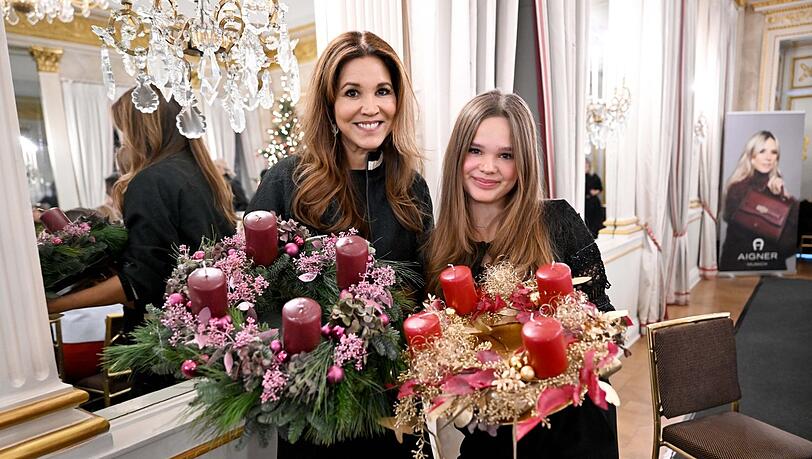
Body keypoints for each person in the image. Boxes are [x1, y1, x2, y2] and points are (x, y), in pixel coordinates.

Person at [246, 31, 433, 458]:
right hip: (313, 408)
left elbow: (422, 292)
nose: (371, 108)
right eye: (353, 93)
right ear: (330, 105)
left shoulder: (411, 187)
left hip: (392, 403)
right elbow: (252, 295)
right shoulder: (287, 182)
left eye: (383, 91)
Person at [424, 90, 618, 458]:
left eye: (506, 155)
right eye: (476, 150)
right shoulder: (441, 248)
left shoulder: (556, 223)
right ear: (457, 156)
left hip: (572, 430)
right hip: (494, 435)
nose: (488, 167)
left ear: (523, 163)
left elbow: (603, 328)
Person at [47, 88, 237, 336]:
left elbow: (143, 281)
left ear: (139, 130)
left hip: (171, 333)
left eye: (124, 130)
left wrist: (53, 305)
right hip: (216, 320)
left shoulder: (151, 181)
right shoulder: (202, 173)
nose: (123, 141)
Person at [720, 130, 798, 271]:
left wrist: (786, 198)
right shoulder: (737, 188)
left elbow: (790, 244)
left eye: (773, 152)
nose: (768, 157)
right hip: (739, 264)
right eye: (762, 151)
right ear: (751, 156)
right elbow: (739, 220)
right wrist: (770, 195)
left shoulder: (779, 190)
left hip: (773, 266)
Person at [584, 157, 604, 238]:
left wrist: (595, 192)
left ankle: (593, 236)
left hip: (594, 202)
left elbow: (600, 188)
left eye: (586, 165)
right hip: (585, 202)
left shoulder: (594, 176)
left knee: (595, 222)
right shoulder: (580, 177)